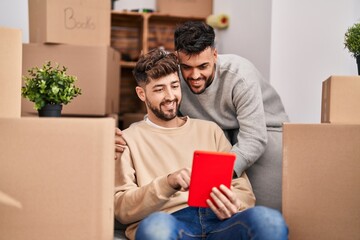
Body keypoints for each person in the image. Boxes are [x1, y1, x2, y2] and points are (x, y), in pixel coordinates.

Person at [114, 48, 288, 240]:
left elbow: (245, 192)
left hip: (219, 220)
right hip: (168, 220)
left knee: (269, 220)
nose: (170, 96)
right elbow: (122, 209)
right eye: (159, 89)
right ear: (141, 93)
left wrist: (233, 203)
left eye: (174, 86)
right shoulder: (127, 139)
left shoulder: (210, 130)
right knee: (156, 229)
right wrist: (168, 182)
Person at [172, 21, 290, 211]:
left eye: (203, 66)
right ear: (178, 58)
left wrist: (218, 175)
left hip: (265, 130)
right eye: (187, 67)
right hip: (217, 132)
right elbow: (165, 118)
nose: (194, 75)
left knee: (258, 209)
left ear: (215, 55)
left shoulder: (240, 76)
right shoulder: (174, 77)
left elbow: (254, 138)